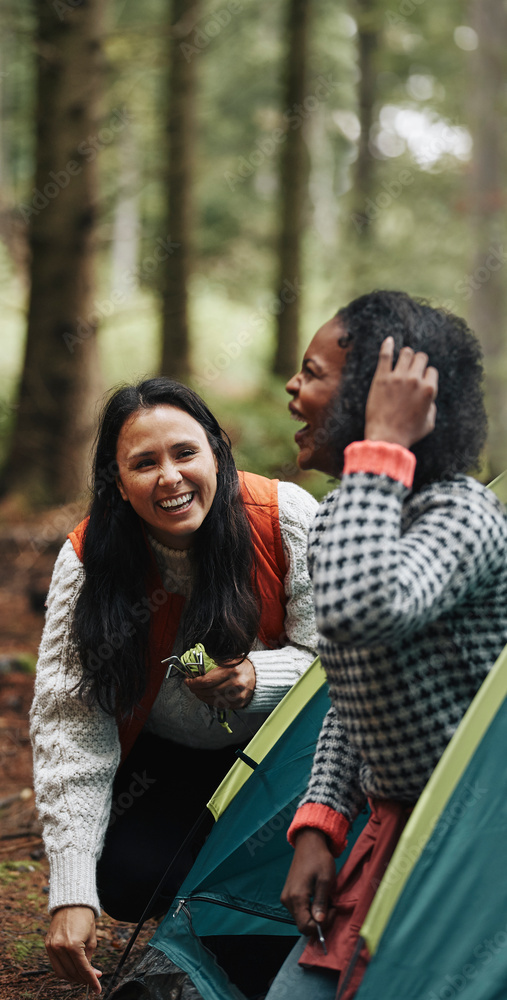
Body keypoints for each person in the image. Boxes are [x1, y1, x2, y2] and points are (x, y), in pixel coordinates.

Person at [29, 377, 319, 994]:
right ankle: (212, 921)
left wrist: (256, 677)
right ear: (116, 480)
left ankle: (237, 939)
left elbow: (339, 666)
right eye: (144, 463)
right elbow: (70, 722)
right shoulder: (89, 560)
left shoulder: (284, 519)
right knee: (130, 876)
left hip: (282, 765)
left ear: (217, 451)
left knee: (289, 854)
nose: (170, 478)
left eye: (186, 453)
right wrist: (71, 890)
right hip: (165, 763)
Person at [266, 290, 507, 1000]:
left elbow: (358, 612)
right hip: (392, 827)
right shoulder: (350, 508)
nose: (292, 386)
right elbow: (351, 687)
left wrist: (379, 447)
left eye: (312, 372)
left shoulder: (460, 514)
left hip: (471, 846)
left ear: (385, 400)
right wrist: (319, 822)